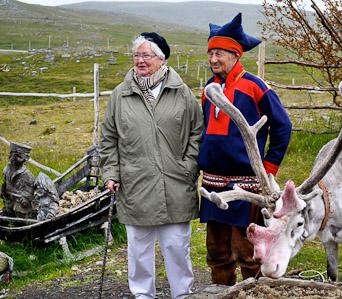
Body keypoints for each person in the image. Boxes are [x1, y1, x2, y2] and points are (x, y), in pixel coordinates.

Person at [99, 32, 204, 299]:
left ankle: (182, 294)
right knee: (139, 250)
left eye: (146, 55)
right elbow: (108, 138)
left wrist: (189, 166)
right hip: (136, 185)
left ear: (161, 58)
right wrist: (111, 172)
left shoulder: (181, 93)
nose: (140, 61)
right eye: (137, 55)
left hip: (176, 184)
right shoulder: (120, 95)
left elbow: (197, 132)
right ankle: (143, 296)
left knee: (177, 248)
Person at [198, 13, 292, 286]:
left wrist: (269, 167)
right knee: (217, 252)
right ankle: (221, 292)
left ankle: (255, 292)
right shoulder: (209, 90)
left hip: (246, 186)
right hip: (213, 183)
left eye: (220, 53)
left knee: (247, 252)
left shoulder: (255, 86)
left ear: (236, 55)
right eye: (211, 53)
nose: (214, 59)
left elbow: (283, 126)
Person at [0, 142, 36, 218]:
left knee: (22, 217)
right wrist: (3, 190)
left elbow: (29, 191)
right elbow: (5, 182)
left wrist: (25, 198)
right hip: (8, 201)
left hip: (20, 205)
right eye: (11, 154)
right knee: (7, 214)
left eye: (16, 155)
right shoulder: (7, 169)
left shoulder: (27, 175)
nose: (12, 158)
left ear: (23, 159)